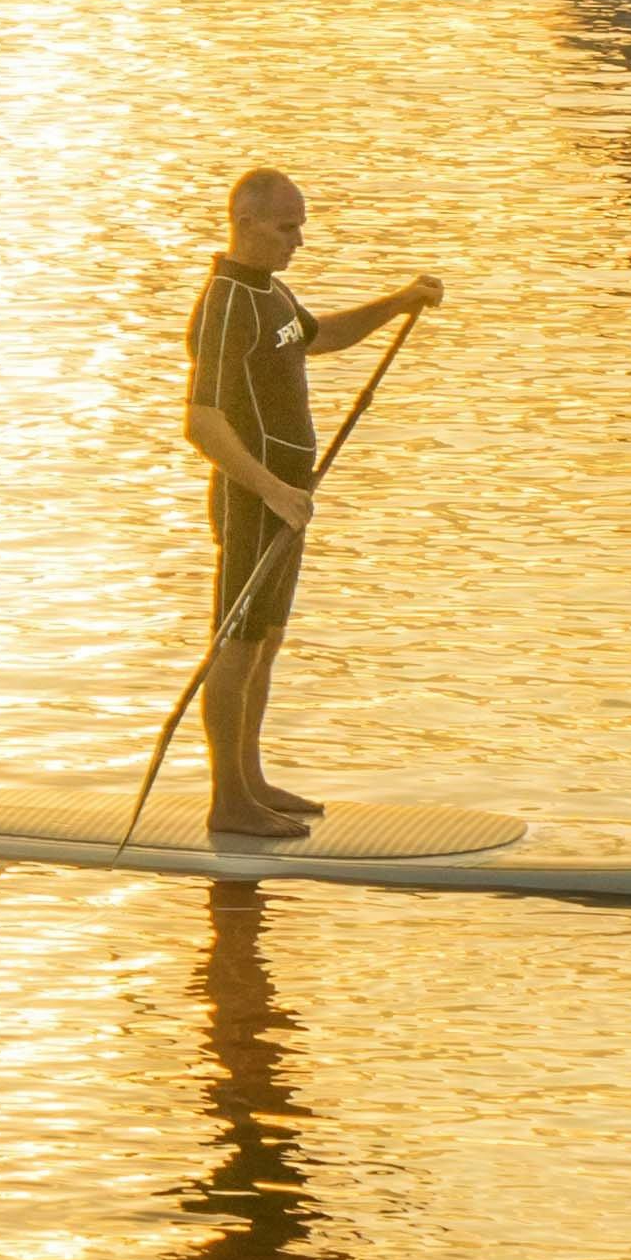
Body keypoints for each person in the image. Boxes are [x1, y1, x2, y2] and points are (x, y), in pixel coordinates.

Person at [181, 168, 440, 841]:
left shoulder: (271, 291)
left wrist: (399, 301)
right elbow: (202, 421)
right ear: (243, 223)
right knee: (235, 647)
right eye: (286, 226)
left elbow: (319, 337)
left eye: (301, 224)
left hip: (286, 501)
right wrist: (270, 489)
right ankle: (227, 800)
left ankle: (251, 778)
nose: (299, 238)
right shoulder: (225, 302)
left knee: (265, 642)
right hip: (251, 499)